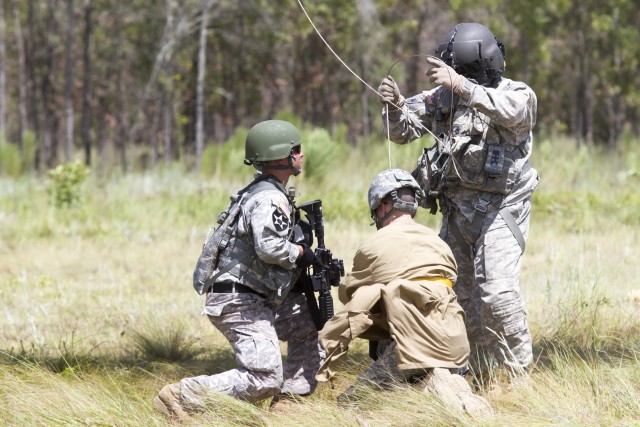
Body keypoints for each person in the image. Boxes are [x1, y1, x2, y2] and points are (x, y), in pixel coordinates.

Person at [377, 23, 539, 375]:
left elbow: (512, 113)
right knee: (457, 296)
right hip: (456, 213)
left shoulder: (517, 94)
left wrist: (460, 85)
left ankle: (517, 375)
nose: (457, 76)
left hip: (501, 210)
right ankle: (473, 369)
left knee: (496, 292)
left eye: (464, 71)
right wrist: (394, 106)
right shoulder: (442, 99)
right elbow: (402, 131)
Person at [154, 119, 324, 420]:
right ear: (281, 156)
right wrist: (300, 253)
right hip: (240, 301)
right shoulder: (269, 197)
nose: (301, 156)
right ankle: (182, 395)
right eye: (296, 150)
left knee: (306, 325)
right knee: (265, 377)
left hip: (249, 296)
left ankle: (290, 404)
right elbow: (269, 247)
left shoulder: (260, 191)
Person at [316, 169, 491, 416]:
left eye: (376, 208)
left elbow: (351, 295)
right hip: (456, 347)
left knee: (351, 403)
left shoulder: (373, 246)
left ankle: (440, 389)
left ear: (384, 205)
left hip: (411, 346)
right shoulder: (440, 244)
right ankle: (450, 385)